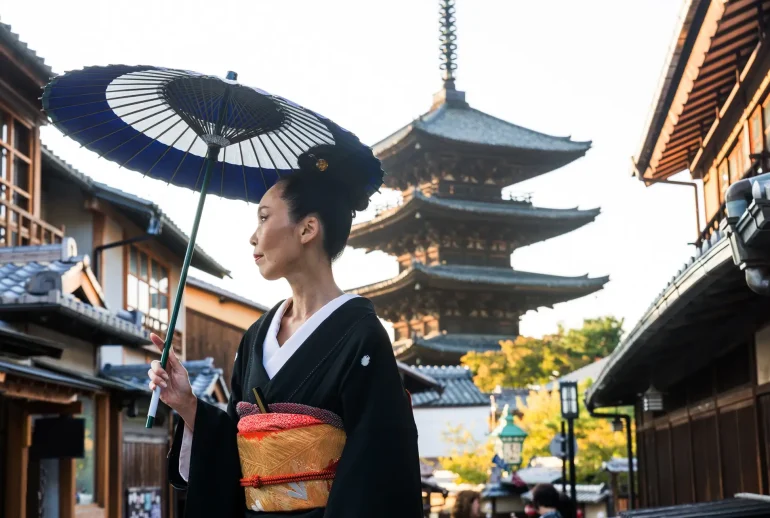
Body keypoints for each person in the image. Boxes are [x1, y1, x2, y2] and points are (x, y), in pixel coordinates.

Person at [147, 146, 423, 517]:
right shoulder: (256, 336)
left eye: (264, 217)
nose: (253, 236)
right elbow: (235, 452)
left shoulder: (361, 336)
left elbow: (377, 469)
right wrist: (187, 404)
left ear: (308, 228)